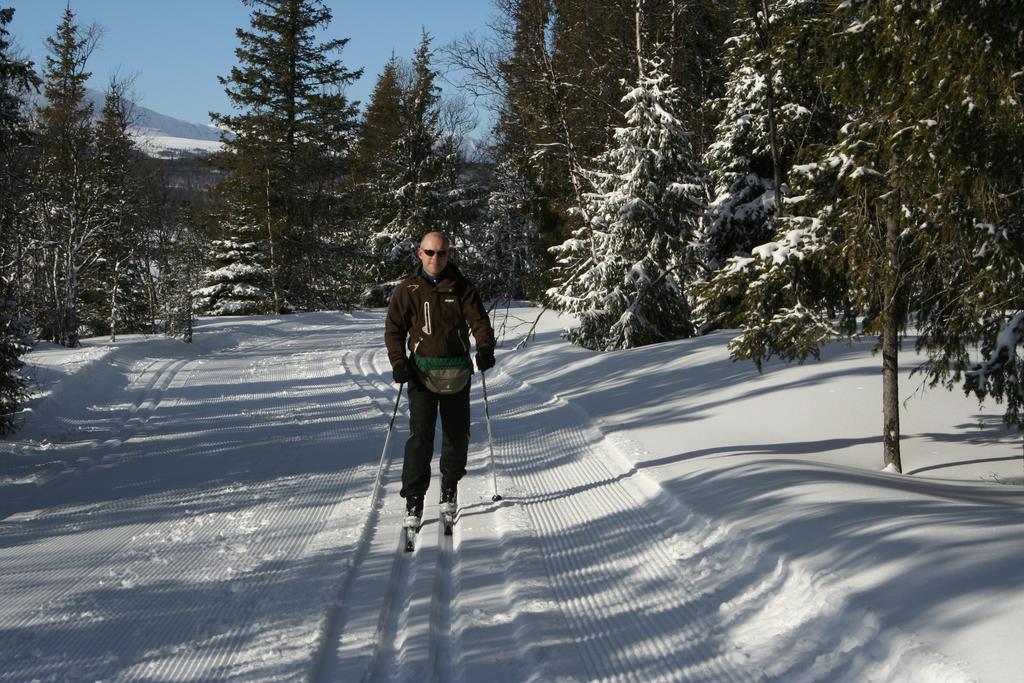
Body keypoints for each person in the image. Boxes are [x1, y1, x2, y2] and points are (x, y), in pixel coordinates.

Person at [384, 231, 496, 527]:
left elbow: (479, 323)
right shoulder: (407, 289)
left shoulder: (462, 288)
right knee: (420, 437)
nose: (436, 258)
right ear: (420, 254)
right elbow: (394, 329)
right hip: (420, 372)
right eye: (431, 252)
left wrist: (485, 349)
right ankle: (414, 499)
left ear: (449, 255)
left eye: (442, 253)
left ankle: (449, 488)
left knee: (456, 434)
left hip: (457, 371)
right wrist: (399, 363)